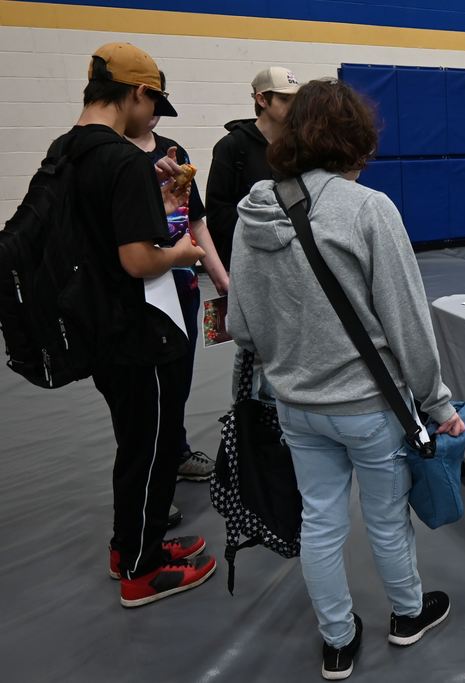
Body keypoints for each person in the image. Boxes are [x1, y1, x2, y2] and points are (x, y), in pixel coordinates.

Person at [227, 79, 465, 681]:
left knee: (320, 520)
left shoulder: (252, 211)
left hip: (295, 405)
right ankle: (408, 615)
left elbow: (240, 324)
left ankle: (337, 641)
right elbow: (408, 325)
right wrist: (438, 405)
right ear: (355, 137)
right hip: (368, 407)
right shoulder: (367, 209)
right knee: (387, 519)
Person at [53, 42, 215, 607]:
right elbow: (141, 258)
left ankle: (130, 545)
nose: (154, 121)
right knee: (149, 447)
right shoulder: (121, 160)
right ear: (139, 93)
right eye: (154, 106)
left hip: (94, 322)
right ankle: (142, 572)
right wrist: (185, 254)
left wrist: (160, 190)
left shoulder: (67, 150)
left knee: (135, 442)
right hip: (137, 329)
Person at [128, 72, 229, 483]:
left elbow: (196, 222)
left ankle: (175, 450)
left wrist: (222, 279)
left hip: (182, 282)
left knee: (177, 378)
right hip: (136, 287)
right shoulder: (112, 156)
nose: (154, 118)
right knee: (141, 389)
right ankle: (149, 473)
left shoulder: (174, 152)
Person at [206, 66, 300, 270]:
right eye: (284, 99)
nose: (293, 107)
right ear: (262, 100)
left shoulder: (298, 146)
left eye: (296, 100)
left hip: (292, 258)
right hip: (248, 259)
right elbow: (218, 213)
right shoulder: (231, 146)